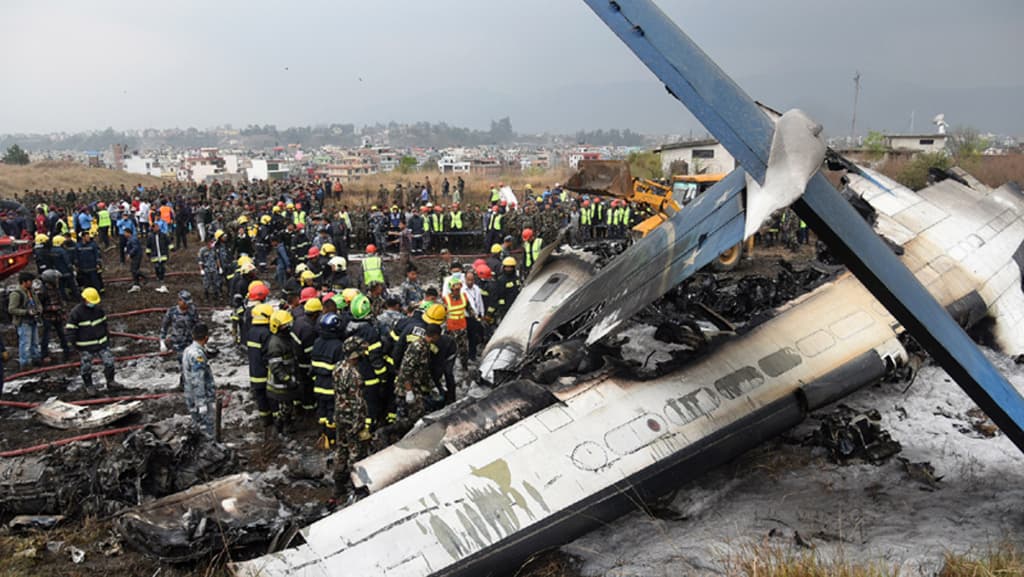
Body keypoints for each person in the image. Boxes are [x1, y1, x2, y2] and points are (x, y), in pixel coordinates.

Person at [332, 336, 371, 502]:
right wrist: (359, 424)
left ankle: (338, 485)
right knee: (357, 453)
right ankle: (358, 487)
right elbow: (358, 402)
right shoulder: (354, 375)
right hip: (352, 420)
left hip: (340, 415)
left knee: (341, 450)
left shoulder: (338, 367)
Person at [66, 287, 118, 393]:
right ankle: (89, 386)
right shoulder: (76, 313)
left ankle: (111, 381)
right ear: (85, 299)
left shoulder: (99, 310)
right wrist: (72, 344)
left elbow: (104, 324)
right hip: (85, 346)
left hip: (101, 343)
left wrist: (106, 337)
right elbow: (71, 329)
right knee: (86, 366)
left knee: (109, 362)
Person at [266, 309, 298, 435]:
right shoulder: (275, 344)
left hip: (287, 379)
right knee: (285, 407)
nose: (288, 327)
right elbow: (276, 367)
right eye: (285, 326)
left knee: (288, 406)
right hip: (280, 384)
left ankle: (285, 425)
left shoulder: (287, 338)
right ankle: (281, 427)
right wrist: (287, 379)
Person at [181, 323, 216, 437]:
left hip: (191, 394)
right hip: (201, 397)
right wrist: (201, 403)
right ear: (206, 338)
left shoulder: (188, 350)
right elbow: (198, 379)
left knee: (197, 426)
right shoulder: (197, 355)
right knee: (206, 428)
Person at [247, 302, 276, 437]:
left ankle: (265, 419)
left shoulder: (251, 332)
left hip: (254, 371)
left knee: (260, 397)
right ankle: (274, 421)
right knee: (271, 397)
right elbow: (267, 354)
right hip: (266, 372)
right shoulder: (266, 333)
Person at [9, 271, 41, 370]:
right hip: (23, 322)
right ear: (24, 282)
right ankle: (25, 364)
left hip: (33, 320)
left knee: (35, 342)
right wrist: (26, 312)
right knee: (25, 344)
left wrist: (39, 310)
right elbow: (11, 309)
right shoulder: (16, 294)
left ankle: (36, 360)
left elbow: (38, 303)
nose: (32, 283)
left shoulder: (31, 291)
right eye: (30, 281)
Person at [38, 269, 70, 363]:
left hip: (57, 316)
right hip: (48, 317)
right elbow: (40, 306)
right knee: (46, 336)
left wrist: (63, 311)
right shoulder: (43, 291)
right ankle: (44, 354)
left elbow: (60, 300)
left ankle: (67, 351)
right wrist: (52, 308)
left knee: (62, 334)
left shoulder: (56, 289)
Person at [160, 290, 199, 358]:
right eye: (185, 303)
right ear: (179, 301)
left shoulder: (192, 310)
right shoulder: (172, 312)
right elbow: (164, 327)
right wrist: (162, 343)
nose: (187, 305)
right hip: (177, 343)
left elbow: (197, 325)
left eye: (188, 303)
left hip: (190, 342)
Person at [443, 277, 470, 371]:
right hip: (451, 327)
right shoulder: (446, 299)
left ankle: (464, 366)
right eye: (455, 289)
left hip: (462, 326)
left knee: (464, 349)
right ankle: (449, 367)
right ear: (451, 289)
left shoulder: (464, 296)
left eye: (459, 289)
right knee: (451, 348)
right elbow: (443, 313)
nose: (457, 291)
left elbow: (469, 309)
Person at [146, 221, 172, 293]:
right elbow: (148, 246)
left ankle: (162, 278)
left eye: (157, 227)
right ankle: (158, 276)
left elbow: (168, 242)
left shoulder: (163, 235)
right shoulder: (150, 237)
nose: (156, 228)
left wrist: (171, 248)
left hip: (163, 255)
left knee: (162, 267)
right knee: (157, 267)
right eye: (155, 227)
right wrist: (148, 253)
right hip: (155, 255)